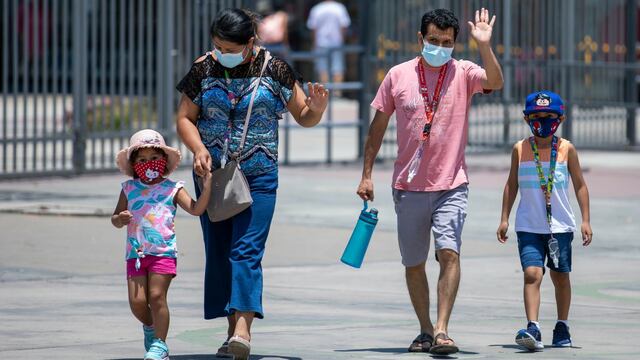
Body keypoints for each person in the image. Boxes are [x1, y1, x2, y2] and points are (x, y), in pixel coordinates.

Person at [175, 8, 328, 360]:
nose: (221, 53)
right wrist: (198, 149)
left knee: (245, 250)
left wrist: (317, 109)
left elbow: (304, 116)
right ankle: (232, 333)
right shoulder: (204, 68)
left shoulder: (275, 68)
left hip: (259, 175)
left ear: (251, 42)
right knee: (220, 252)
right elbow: (184, 117)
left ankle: (242, 331)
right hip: (213, 178)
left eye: (229, 47)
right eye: (217, 45)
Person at [357, 8, 503, 355]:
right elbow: (377, 127)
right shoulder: (397, 75)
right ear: (421, 39)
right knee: (413, 263)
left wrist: (484, 45)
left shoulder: (464, 72)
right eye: (434, 40)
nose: (440, 47)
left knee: (449, 252)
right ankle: (424, 328)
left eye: (448, 42)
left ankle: (441, 330)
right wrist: (366, 174)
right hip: (408, 188)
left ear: (455, 43)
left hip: (452, 183)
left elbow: (495, 82)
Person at [497, 90, 593, 351]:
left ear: (559, 118)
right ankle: (533, 326)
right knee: (532, 274)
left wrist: (585, 220)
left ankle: (562, 325)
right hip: (528, 225)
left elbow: (580, 185)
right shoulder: (520, 148)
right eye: (537, 116)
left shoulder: (566, 149)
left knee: (560, 276)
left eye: (549, 116)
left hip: (560, 227)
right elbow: (511, 185)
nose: (543, 121)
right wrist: (504, 218)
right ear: (527, 118)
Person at [111, 129, 212, 360]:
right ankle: (150, 327)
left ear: (164, 161)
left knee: (157, 297)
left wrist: (206, 187)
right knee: (137, 302)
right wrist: (120, 218)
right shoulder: (128, 189)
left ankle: (160, 344)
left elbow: (196, 209)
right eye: (142, 160)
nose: (149, 164)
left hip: (163, 252)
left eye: (155, 159)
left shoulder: (172, 188)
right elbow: (115, 218)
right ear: (134, 164)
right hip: (135, 254)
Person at [306, 0, 351, 86]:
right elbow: (344, 26)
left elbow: (313, 29)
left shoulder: (316, 9)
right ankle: (337, 94)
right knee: (338, 68)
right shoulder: (339, 8)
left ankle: (325, 92)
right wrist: (342, 41)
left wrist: (314, 44)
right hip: (337, 44)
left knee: (322, 69)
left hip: (321, 43)